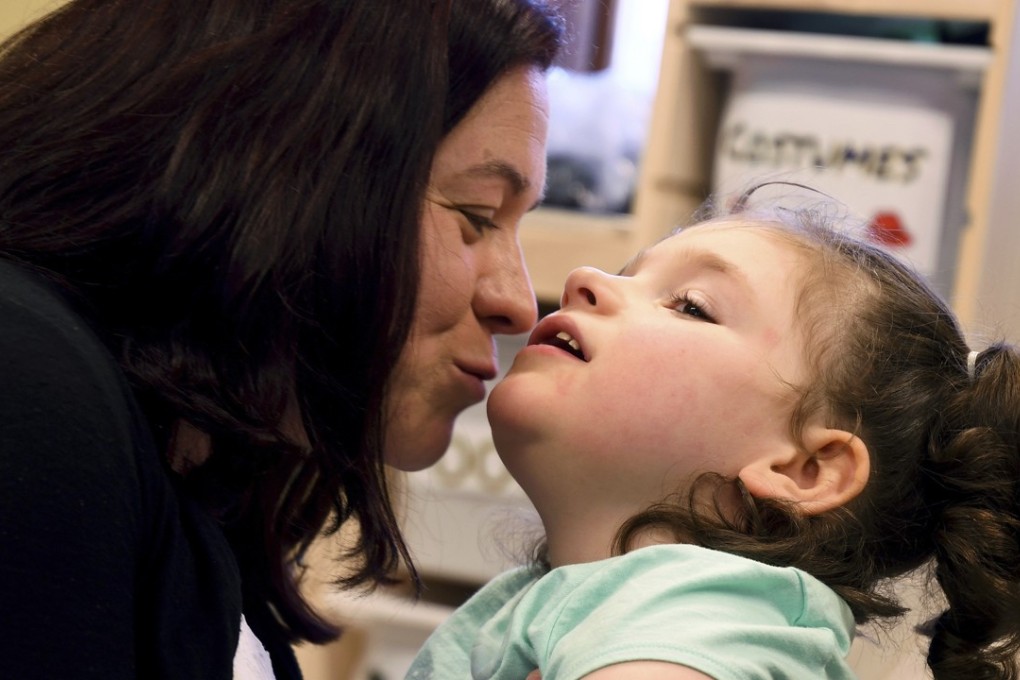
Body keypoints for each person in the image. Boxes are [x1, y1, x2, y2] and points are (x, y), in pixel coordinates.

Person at [0, 0, 562, 678]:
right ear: (288, 168)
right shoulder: (25, 381)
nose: (518, 303)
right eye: (476, 216)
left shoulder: (201, 480)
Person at [407, 191, 1020, 680]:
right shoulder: (638, 603)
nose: (584, 277)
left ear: (806, 469)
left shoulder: (699, 617)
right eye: (630, 273)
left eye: (690, 305)